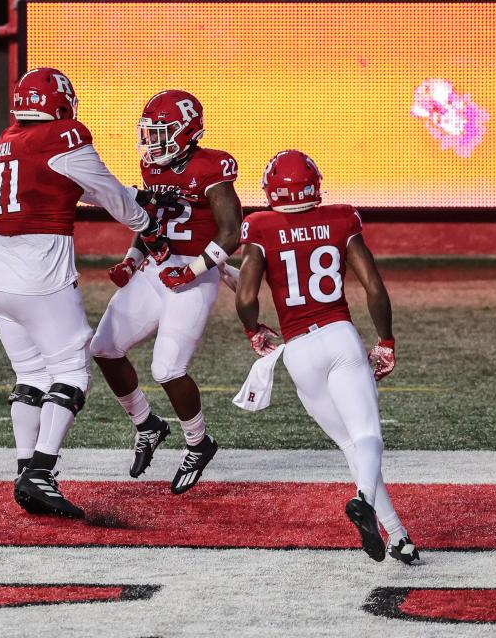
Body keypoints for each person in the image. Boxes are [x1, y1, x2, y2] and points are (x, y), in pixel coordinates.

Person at [0, 68, 170, 519]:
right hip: (36, 270)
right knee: (72, 366)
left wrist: (133, 200)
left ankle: (26, 469)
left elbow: (46, 189)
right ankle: (41, 472)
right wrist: (148, 225)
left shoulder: (11, 137)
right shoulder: (63, 135)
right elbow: (105, 191)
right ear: (60, 104)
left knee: (31, 373)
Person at [234, 149, 419, 565]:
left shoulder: (260, 225)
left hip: (298, 349)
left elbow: (246, 297)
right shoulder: (341, 218)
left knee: (353, 446)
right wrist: (386, 340)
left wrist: (254, 330)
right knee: (368, 436)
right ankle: (364, 502)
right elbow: (373, 285)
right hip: (338, 336)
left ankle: (400, 536)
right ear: (314, 185)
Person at [90, 90, 242, 493]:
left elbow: (231, 233)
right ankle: (147, 424)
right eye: (150, 132)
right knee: (103, 347)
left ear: (187, 131)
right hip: (159, 266)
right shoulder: (152, 166)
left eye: (161, 132)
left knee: (168, 369)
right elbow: (151, 218)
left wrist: (191, 271)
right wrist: (132, 257)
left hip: (197, 270)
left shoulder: (211, 166)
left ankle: (198, 443)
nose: (152, 141)